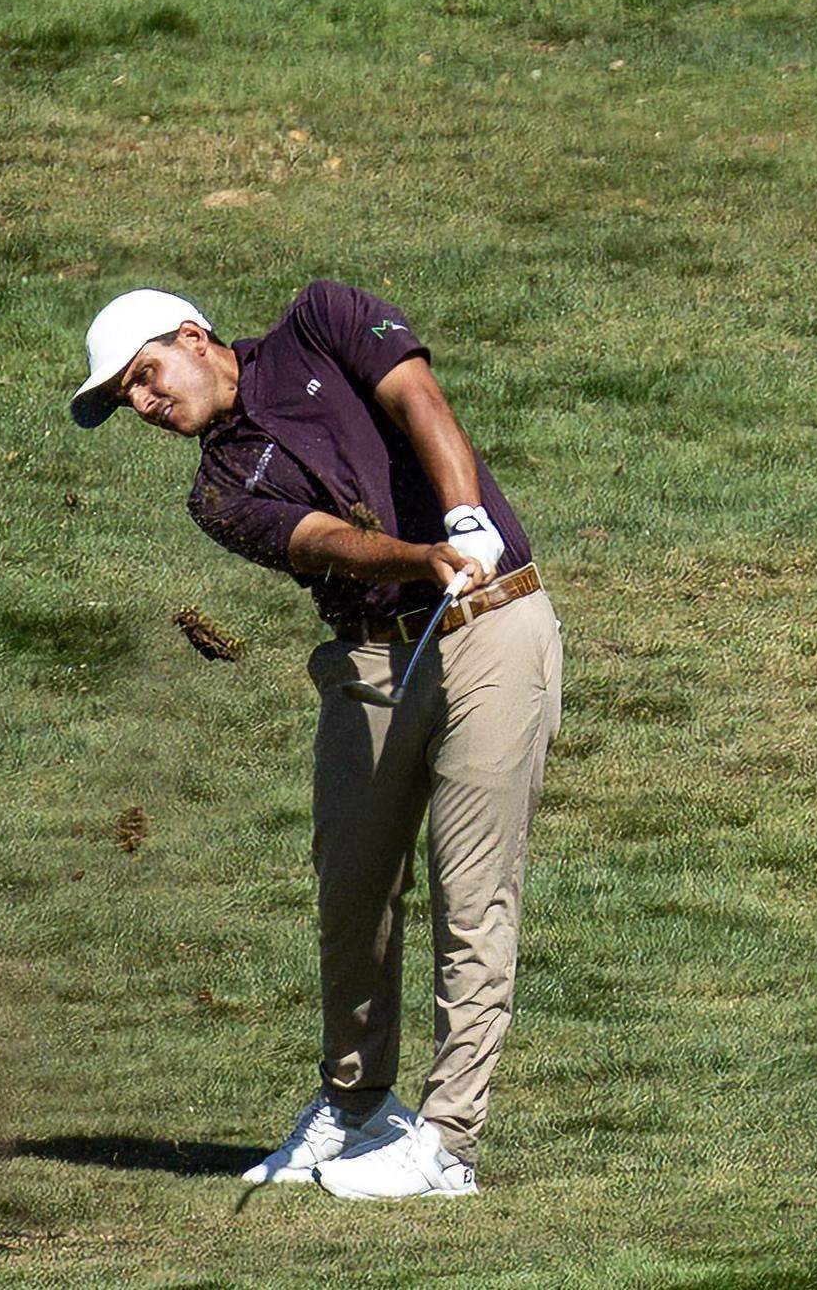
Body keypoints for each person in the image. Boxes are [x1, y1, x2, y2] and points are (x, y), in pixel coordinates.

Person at [71, 280, 562, 1200]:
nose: (143, 403)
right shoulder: (217, 493)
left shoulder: (322, 321)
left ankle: (448, 1143)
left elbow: (419, 399)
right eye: (128, 396)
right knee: (352, 889)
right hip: (369, 657)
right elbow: (326, 540)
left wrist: (463, 520)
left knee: (471, 891)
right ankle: (358, 1104)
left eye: (144, 375)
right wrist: (421, 557)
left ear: (192, 336)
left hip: (495, 624)